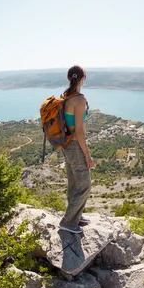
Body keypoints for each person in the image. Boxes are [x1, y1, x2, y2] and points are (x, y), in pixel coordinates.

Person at [58, 65, 95, 234]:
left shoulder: (65, 96)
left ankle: (76, 216)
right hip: (74, 145)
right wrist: (87, 154)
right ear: (82, 79)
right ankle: (68, 223)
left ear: (68, 78)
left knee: (74, 183)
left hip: (65, 144)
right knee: (84, 185)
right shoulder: (79, 99)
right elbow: (79, 130)